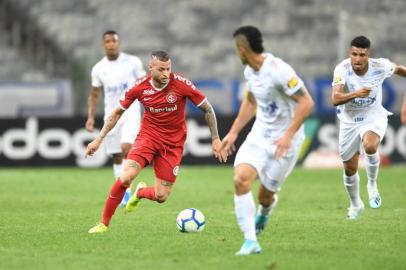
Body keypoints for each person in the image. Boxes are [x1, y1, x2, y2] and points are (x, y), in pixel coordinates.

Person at [86, 50, 228, 233]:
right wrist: (98, 140)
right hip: (148, 138)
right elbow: (116, 114)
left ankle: (140, 193)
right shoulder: (139, 87)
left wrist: (215, 138)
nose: (165, 74)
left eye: (168, 69)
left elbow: (208, 109)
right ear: (150, 68)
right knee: (126, 176)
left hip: (172, 145)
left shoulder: (181, 84)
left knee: (161, 196)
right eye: (161, 69)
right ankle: (103, 223)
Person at [221, 26, 314, 255]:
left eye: (236, 49)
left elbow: (307, 103)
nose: (236, 53)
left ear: (242, 49)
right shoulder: (250, 72)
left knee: (265, 195)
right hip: (260, 135)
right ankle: (250, 241)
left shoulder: (279, 70)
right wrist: (233, 132)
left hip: (286, 141)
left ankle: (266, 209)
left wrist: (288, 136)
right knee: (241, 179)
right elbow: (251, 101)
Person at [331, 35, 406, 219]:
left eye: (362, 55)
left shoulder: (380, 66)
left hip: (373, 116)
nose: (357, 59)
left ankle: (372, 184)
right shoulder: (342, 69)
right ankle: (356, 205)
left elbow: (399, 69)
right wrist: (356, 93)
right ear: (350, 53)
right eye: (354, 54)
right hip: (349, 120)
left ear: (368, 55)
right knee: (349, 169)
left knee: (370, 145)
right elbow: (335, 98)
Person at [86, 30, 146, 206]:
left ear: (119, 43)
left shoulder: (132, 62)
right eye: (108, 41)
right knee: (117, 156)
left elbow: (145, 84)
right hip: (111, 115)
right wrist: (90, 117)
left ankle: (126, 191)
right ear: (103, 45)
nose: (111, 44)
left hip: (131, 112)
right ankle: (124, 191)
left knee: (127, 147)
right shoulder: (98, 68)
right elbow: (95, 95)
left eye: (114, 40)